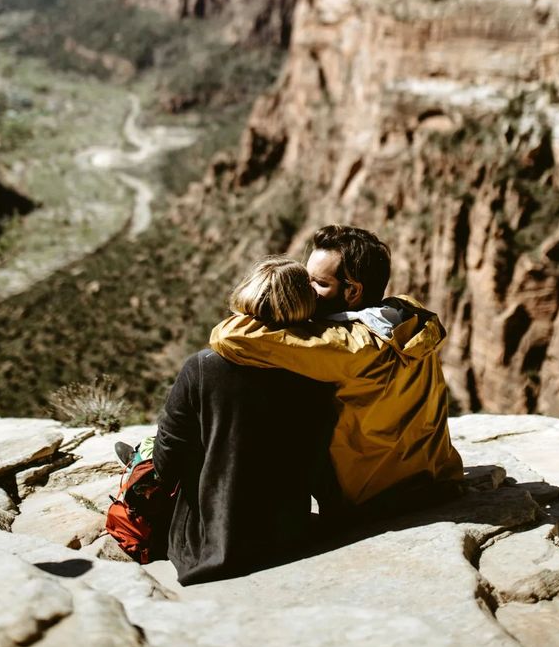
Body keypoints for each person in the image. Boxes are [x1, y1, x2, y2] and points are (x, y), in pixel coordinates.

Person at [210, 225, 463, 514]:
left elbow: (228, 336)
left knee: (219, 370)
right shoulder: (407, 312)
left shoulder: (346, 345)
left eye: (318, 283)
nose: (306, 289)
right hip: (432, 477)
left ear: (353, 291)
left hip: (368, 497)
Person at [148, 256, 337, 585]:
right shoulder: (317, 370)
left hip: (210, 542)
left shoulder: (203, 366)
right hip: (286, 533)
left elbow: (168, 458)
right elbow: (321, 458)